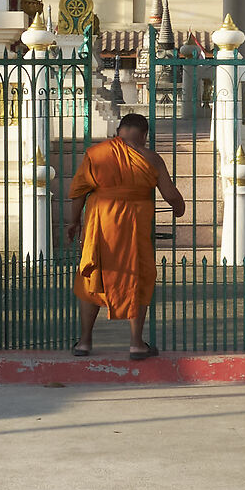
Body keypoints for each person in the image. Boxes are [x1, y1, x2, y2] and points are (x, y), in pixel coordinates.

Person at [67, 111, 184, 358]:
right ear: (144, 135)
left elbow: (79, 192)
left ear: (119, 131)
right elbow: (170, 193)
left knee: (92, 276)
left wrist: (73, 221)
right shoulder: (151, 158)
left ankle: (84, 342)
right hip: (134, 225)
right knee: (138, 276)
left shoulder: (97, 153)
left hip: (101, 224)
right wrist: (179, 208)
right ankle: (136, 343)